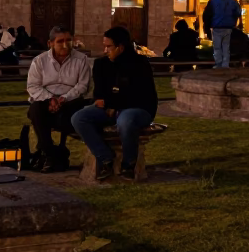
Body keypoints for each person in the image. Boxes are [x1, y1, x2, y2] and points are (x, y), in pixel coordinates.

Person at [72, 26, 158, 182]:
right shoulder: (101, 64)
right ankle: (105, 158)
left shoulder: (139, 63)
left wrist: (114, 104)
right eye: (104, 46)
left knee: (125, 120)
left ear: (121, 47)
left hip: (138, 109)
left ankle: (128, 164)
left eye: (109, 46)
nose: (105, 50)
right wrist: (104, 102)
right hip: (108, 108)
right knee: (79, 118)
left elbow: (140, 94)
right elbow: (99, 93)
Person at [26, 26, 92, 171]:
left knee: (61, 118)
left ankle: (46, 152)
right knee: (36, 110)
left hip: (71, 101)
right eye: (60, 41)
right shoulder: (40, 61)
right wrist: (51, 99)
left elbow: (82, 86)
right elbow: (33, 86)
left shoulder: (81, 60)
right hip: (46, 101)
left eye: (68, 40)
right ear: (50, 44)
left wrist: (63, 99)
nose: (65, 45)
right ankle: (51, 153)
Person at [201, 0, 240, 69]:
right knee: (226, 47)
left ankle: (219, 64)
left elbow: (206, 15)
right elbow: (238, 13)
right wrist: (234, 23)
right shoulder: (233, 1)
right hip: (228, 27)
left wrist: (206, 28)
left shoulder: (213, 0)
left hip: (216, 27)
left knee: (217, 47)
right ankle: (225, 64)